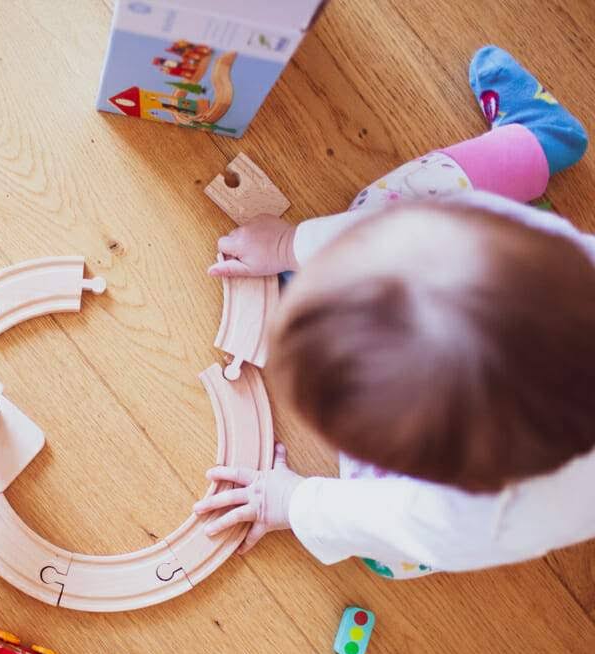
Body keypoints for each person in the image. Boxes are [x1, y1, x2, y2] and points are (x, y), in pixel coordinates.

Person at [193, 46, 594, 579]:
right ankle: (537, 142)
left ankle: (527, 153)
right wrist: (290, 246)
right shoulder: (540, 268)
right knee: (394, 215)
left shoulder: (474, 520)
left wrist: (290, 501)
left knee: (387, 552)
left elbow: (385, 516)